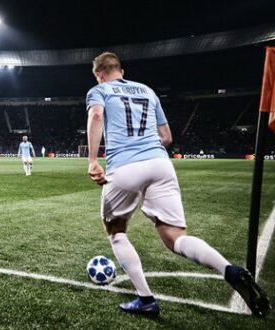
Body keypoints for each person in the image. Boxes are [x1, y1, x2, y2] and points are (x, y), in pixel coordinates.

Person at [86, 52, 270, 317]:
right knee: (175, 238)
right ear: (121, 70)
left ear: (99, 74)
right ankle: (230, 270)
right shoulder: (148, 91)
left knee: (116, 231)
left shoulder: (99, 90)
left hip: (124, 166)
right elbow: (167, 136)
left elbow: (96, 117)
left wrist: (93, 160)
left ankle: (146, 299)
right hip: (161, 165)